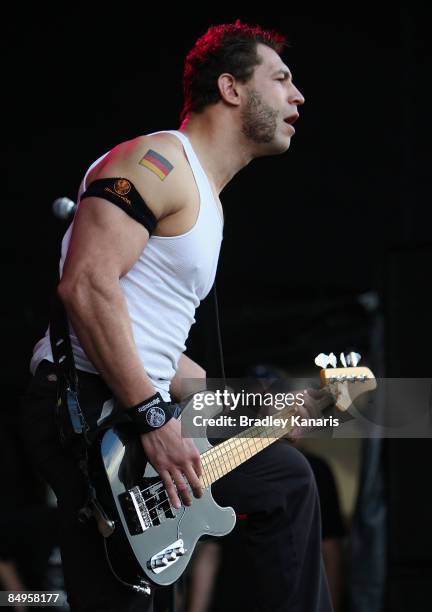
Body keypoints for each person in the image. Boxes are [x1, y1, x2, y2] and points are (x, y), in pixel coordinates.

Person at [22, 21, 333, 612]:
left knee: (286, 481)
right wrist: (154, 415)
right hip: (92, 410)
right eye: (282, 79)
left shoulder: (208, 204)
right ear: (232, 88)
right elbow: (86, 284)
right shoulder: (159, 159)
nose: (298, 96)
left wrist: (256, 409)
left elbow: (161, 349)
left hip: (135, 404)